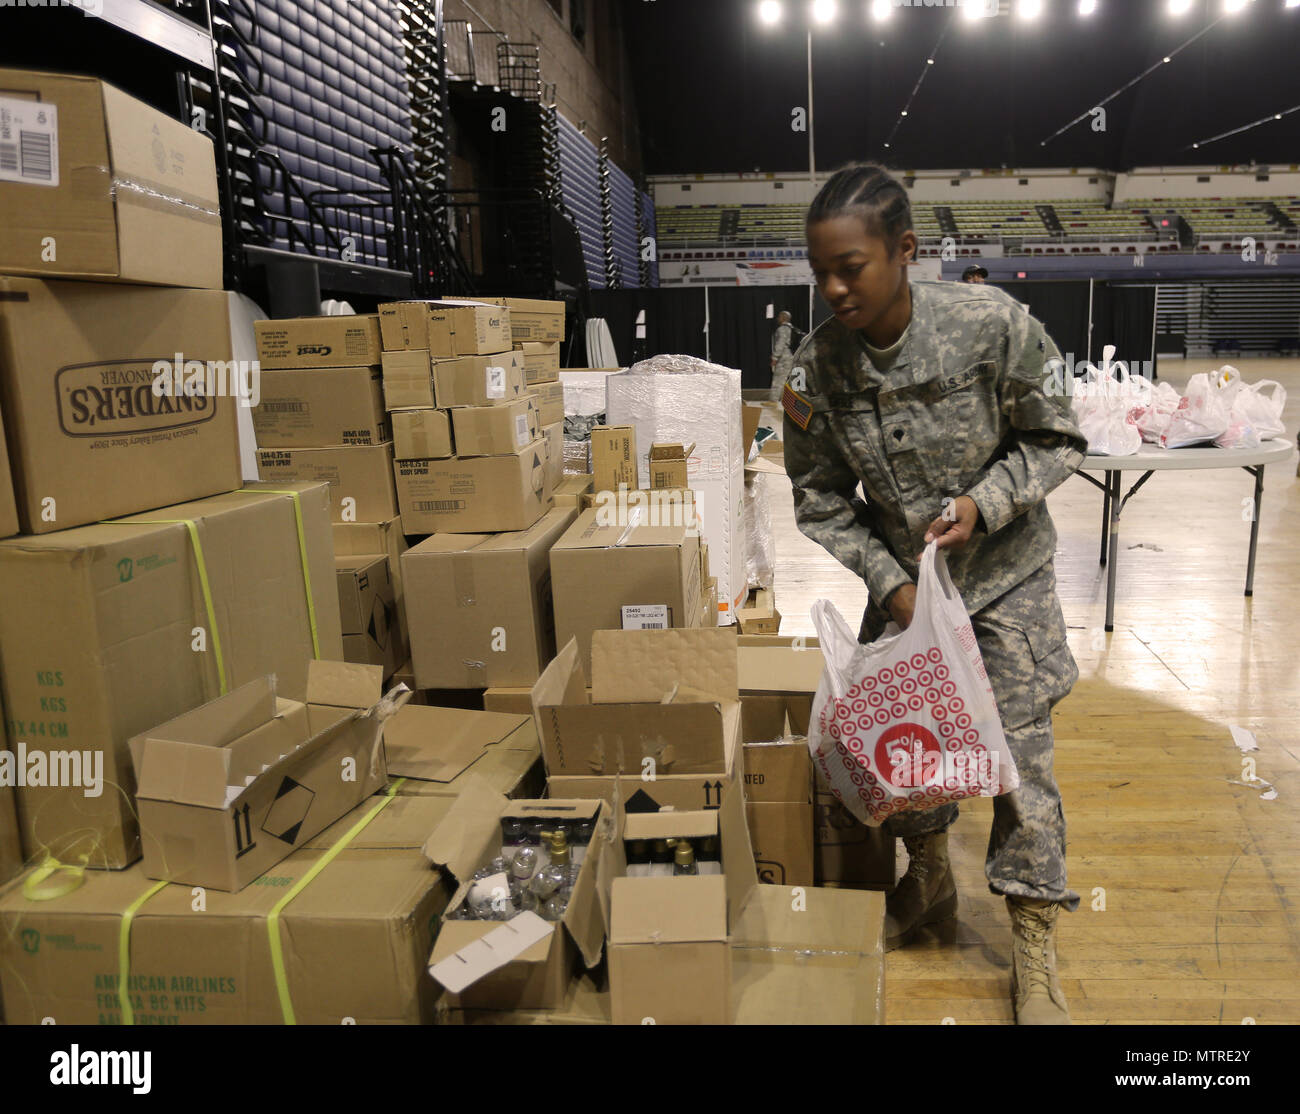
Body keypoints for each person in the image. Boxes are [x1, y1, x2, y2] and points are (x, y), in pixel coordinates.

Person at [783, 163, 1087, 1025]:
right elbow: (816, 501)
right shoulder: (815, 375)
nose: (835, 288)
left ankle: (1033, 948)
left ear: (906, 251)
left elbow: (1058, 437)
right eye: (821, 273)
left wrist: (981, 505)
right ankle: (930, 885)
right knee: (907, 744)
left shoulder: (992, 326)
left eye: (852, 268)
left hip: (1004, 580)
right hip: (910, 592)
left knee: (1018, 761)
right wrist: (890, 584)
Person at [770, 310, 801, 401]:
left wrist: (775, 358)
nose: (778, 318)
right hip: (793, 357)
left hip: (783, 358)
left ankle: (773, 402)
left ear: (783, 318)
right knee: (791, 381)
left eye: (779, 317)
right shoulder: (793, 329)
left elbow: (780, 344)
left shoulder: (782, 329)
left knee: (778, 381)